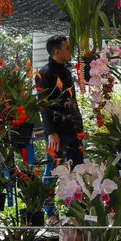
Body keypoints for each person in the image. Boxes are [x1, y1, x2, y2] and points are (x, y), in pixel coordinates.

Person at [35, 35, 83, 167]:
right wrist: (51, 132)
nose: (70, 51)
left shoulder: (66, 71)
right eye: (67, 48)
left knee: (78, 170)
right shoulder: (45, 73)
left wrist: (79, 127)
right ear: (57, 51)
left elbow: (72, 100)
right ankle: (45, 189)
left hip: (73, 130)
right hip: (57, 133)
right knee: (53, 172)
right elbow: (43, 104)